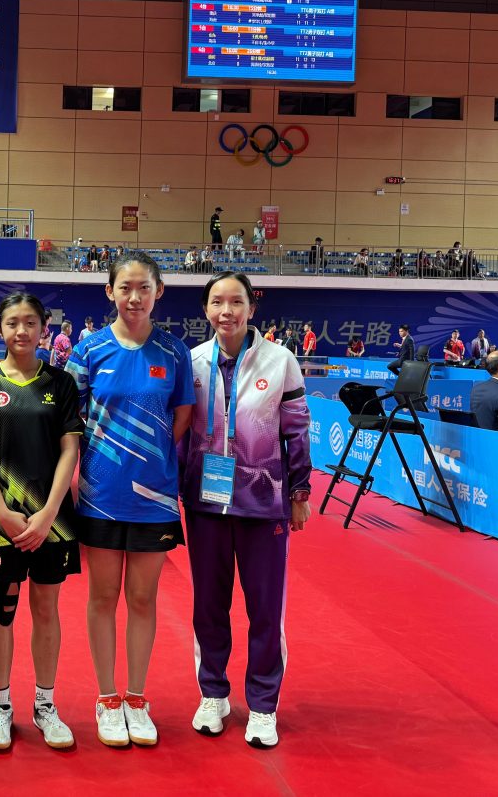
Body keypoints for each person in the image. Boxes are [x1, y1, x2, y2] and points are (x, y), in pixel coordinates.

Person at [64, 251, 194, 748]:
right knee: (102, 597)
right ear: (110, 292)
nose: (134, 297)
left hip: (154, 497)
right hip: (99, 494)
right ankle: (106, 697)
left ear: (158, 291)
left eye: (144, 288)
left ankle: (136, 698)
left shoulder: (174, 352)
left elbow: (182, 417)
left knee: (142, 598)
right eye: (125, 287)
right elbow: (70, 419)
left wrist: (150, 458)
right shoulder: (89, 350)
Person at [181, 271, 312, 749]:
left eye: (236, 302)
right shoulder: (192, 361)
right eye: (217, 302)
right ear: (205, 309)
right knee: (208, 605)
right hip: (205, 503)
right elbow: (181, 430)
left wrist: (299, 493)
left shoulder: (281, 361)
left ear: (251, 308)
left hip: (264, 503)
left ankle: (262, 704)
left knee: (265, 608)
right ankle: (212, 694)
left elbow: (297, 430)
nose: (226, 311)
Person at [0, 292, 83, 751]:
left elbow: (70, 449)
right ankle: (0, 706)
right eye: (13, 323)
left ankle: (45, 704)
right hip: (3, 520)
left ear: (44, 329)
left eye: (30, 322)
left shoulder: (61, 382)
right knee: (3, 608)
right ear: (0, 329)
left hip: (52, 519)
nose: (22, 330)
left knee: (46, 609)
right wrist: (0, 510)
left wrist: (49, 512)